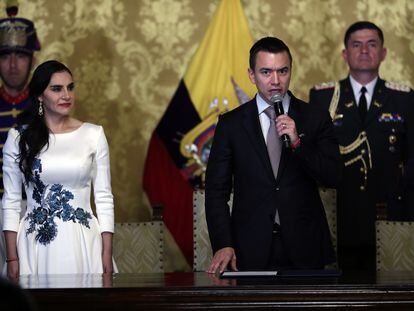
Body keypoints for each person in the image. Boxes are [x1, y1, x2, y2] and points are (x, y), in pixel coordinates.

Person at [205, 37, 342, 273]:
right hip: (248, 247)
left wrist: (298, 143)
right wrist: (224, 243)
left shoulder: (315, 117)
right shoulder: (231, 124)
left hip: (305, 245)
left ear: (291, 71)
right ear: (251, 75)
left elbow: (334, 176)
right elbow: (216, 191)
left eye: (283, 71)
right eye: (266, 72)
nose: (276, 81)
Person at [309, 21, 414, 272]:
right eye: (356, 44)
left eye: (372, 44)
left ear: (384, 52)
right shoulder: (323, 97)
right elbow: (314, 158)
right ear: (345, 54)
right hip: (338, 215)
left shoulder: (404, 98)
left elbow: (412, 158)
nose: (364, 50)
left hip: (389, 215)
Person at [2, 60, 116, 277]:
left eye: (70, 87)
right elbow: (11, 201)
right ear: (39, 95)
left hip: (83, 242)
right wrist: (12, 257)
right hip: (34, 244)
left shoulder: (94, 135)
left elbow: (103, 198)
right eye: (56, 89)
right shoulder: (18, 138)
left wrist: (106, 252)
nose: (67, 95)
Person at [0, 4, 40, 275]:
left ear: (33, 61)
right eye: (5, 56)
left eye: (21, 56)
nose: (13, 65)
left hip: (34, 213)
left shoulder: (45, 107)